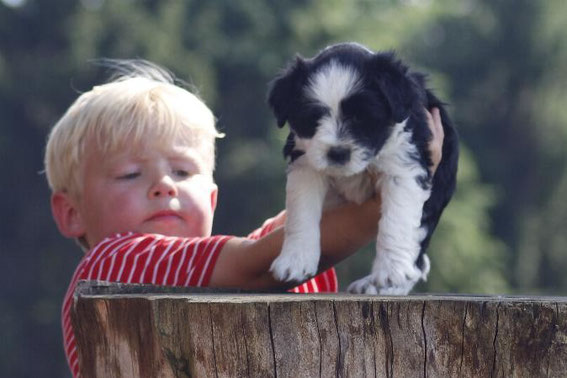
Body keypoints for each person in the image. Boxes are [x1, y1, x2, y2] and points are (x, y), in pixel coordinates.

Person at [44, 61, 444, 377]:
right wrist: (384, 206)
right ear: (71, 213)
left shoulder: (237, 263)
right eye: (130, 174)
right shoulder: (111, 265)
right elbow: (257, 266)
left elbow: (280, 239)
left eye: (183, 172)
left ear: (212, 198)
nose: (164, 185)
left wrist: (393, 170)